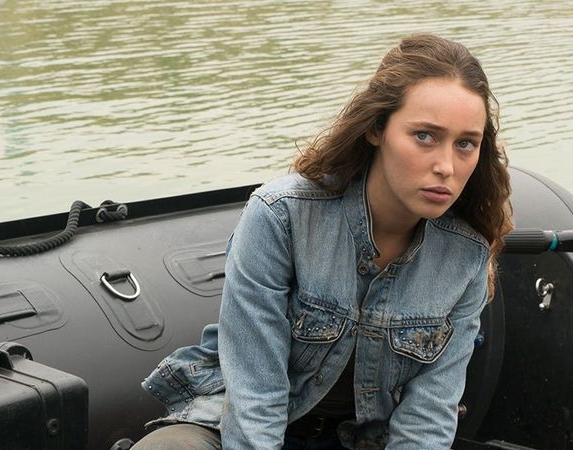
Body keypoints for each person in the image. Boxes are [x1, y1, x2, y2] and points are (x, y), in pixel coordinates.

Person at [132, 33, 512, 450]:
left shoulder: (466, 254)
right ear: (376, 129)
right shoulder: (281, 216)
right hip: (243, 425)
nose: (446, 166)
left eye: (465, 144)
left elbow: (428, 416)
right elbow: (254, 395)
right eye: (424, 136)